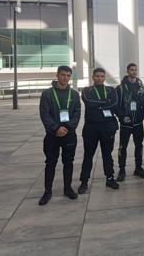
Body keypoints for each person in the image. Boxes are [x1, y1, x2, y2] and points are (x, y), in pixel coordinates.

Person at [39, 65, 81, 205]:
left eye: (68, 75)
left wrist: (67, 128)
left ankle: (68, 188)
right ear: (57, 75)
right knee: (50, 162)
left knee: (68, 162)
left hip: (69, 135)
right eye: (63, 75)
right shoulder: (47, 94)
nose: (66, 78)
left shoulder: (74, 94)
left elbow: (77, 114)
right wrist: (56, 128)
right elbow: (45, 114)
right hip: (52, 135)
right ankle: (47, 191)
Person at [78, 68, 119, 194]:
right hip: (91, 127)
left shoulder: (111, 90)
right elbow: (89, 103)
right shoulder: (86, 91)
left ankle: (110, 177)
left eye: (102, 76)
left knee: (107, 154)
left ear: (104, 77)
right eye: (97, 76)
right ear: (93, 77)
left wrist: (99, 105)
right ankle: (84, 181)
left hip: (107, 127)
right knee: (88, 155)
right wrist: (105, 103)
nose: (99, 78)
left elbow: (115, 104)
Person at [115, 63, 144, 181]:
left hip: (138, 123)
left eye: (135, 70)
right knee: (122, 147)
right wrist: (122, 117)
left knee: (139, 146)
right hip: (125, 124)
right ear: (127, 71)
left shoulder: (142, 88)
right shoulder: (120, 88)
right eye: (131, 70)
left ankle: (138, 168)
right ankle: (122, 170)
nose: (134, 72)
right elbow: (116, 105)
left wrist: (141, 115)